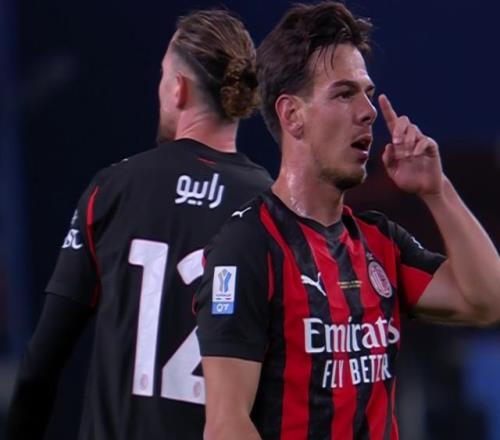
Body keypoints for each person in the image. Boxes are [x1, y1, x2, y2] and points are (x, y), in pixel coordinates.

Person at [195, 2, 500, 439]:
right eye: (344, 94)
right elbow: (226, 425)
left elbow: (489, 301)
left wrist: (438, 192)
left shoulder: (380, 243)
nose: (368, 111)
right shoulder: (246, 248)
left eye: (367, 92)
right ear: (292, 115)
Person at [7, 9, 272, 440]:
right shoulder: (271, 208)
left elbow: (41, 364)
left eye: (163, 75)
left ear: (179, 88)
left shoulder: (113, 189)